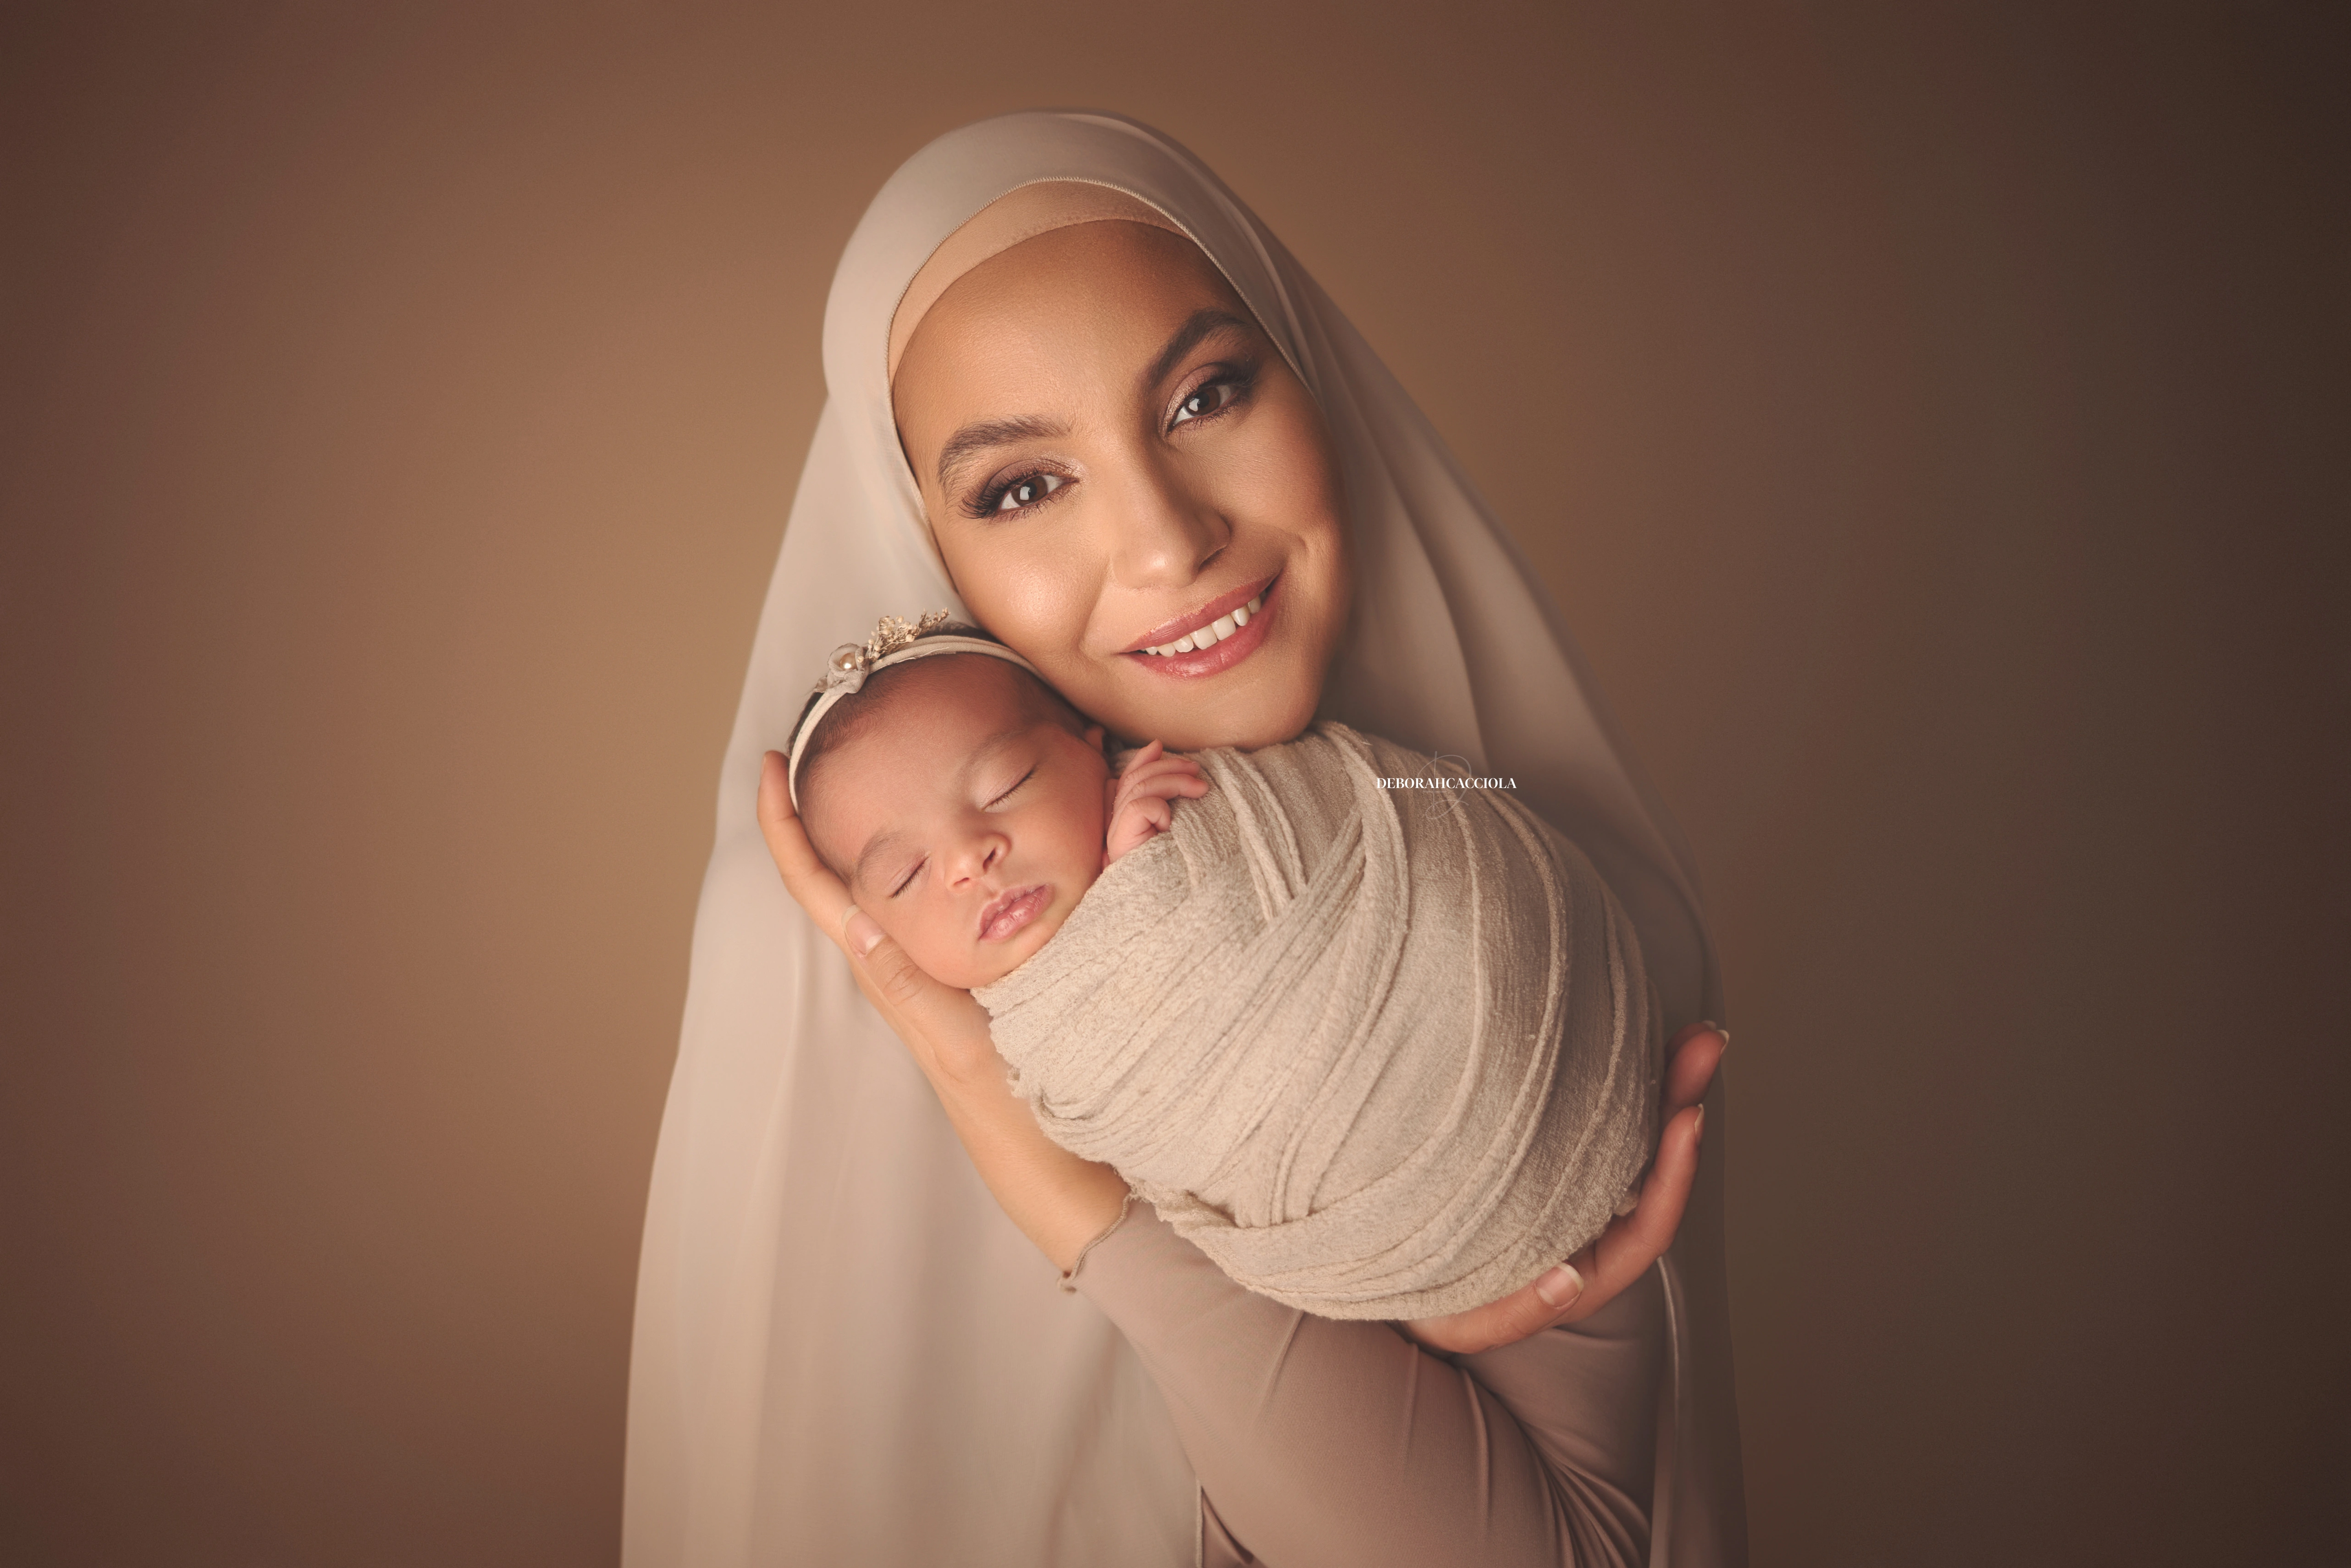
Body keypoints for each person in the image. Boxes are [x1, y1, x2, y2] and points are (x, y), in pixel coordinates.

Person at [625, 110, 1743, 1567]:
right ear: (927, 550)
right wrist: (984, 1085)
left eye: (1206, 394)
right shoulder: (841, 945)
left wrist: (1446, 1276)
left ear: (1310, 377)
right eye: (1023, 485)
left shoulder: (1496, 816)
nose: (1168, 540)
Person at [784, 628, 1663, 1324]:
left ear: (1095, 748)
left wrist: (1142, 868)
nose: (968, 860)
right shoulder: (1020, 1029)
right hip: (1397, 1259)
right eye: (905, 875)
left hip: (1564, 1040)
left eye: (1007, 785)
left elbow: (1417, 800)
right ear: (880, 931)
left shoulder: (1189, 798)